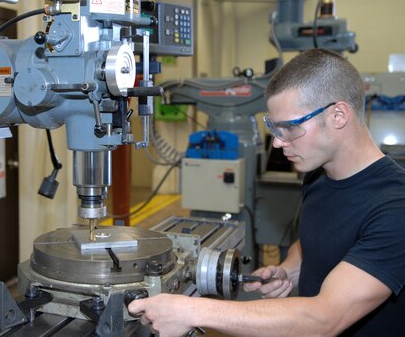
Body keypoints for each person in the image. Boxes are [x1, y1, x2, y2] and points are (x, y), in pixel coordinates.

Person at [128, 49, 405, 336]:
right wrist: (289, 269)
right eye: (274, 127)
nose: (277, 143)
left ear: (338, 115)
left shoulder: (395, 208)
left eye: (290, 127)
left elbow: (324, 319)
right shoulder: (318, 177)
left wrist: (192, 310)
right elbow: (316, 239)